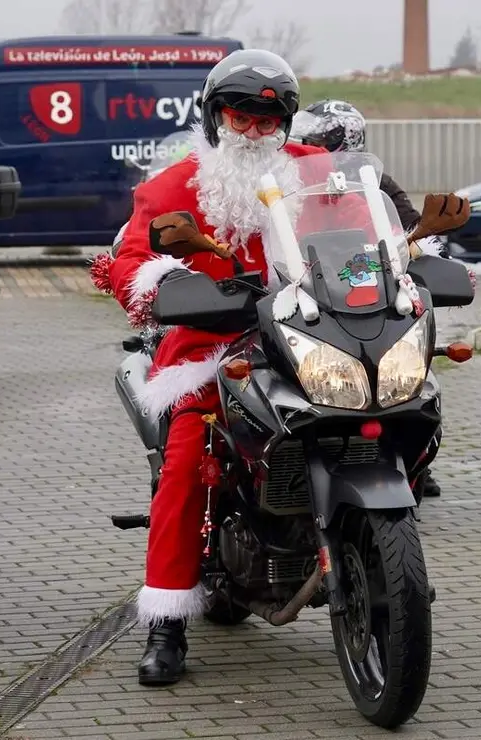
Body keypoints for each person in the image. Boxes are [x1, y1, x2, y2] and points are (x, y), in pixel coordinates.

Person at [91, 49, 369, 686]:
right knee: (188, 462)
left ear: (286, 124)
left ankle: (378, 548)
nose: (253, 131)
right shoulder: (174, 185)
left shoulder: (317, 175)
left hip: (311, 340)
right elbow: (132, 263)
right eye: (240, 117)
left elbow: (362, 240)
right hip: (210, 350)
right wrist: (172, 286)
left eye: (267, 120)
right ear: (215, 117)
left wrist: (379, 277)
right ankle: (168, 621)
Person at [293, 97, 451, 499]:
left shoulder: (371, 180)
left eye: (320, 140)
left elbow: (414, 227)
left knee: (413, 373)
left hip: (373, 287)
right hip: (314, 287)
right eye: (309, 140)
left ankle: (415, 462)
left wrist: (418, 249)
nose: (314, 148)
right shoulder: (293, 181)